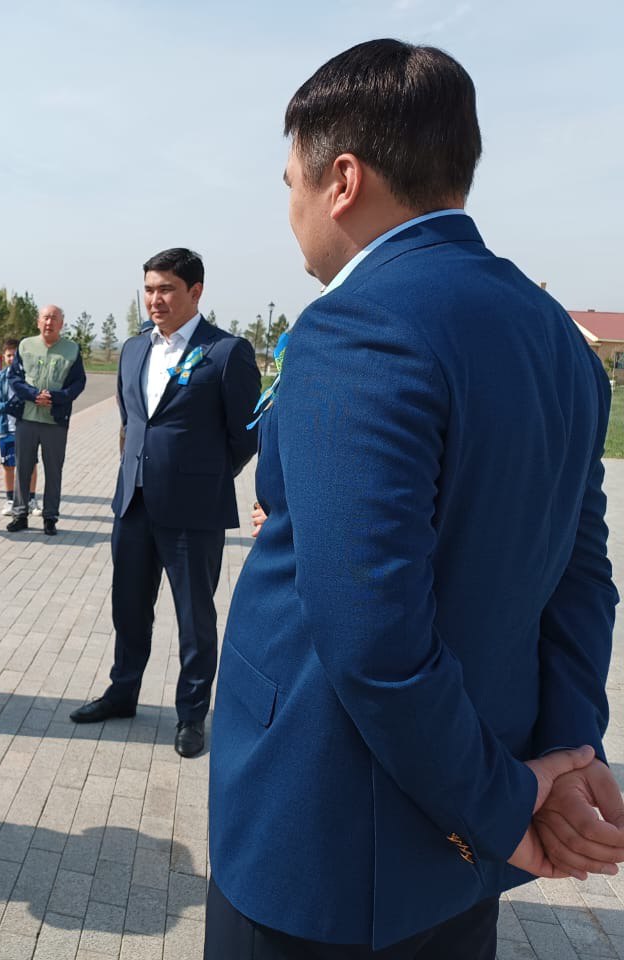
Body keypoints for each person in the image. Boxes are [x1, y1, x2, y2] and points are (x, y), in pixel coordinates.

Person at [206, 40, 622, 959]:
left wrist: (505, 805)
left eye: (290, 183)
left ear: (342, 180)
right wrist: (565, 759)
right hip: (464, 831)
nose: (289, 209)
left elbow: (374, 641)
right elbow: (580, 580)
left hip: (328, 838)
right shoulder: (556, 337)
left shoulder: (358, 325)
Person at [70, 249, 260, 758]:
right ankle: (122, 691)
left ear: (195, 292)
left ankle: (192, 714)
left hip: (194, 511)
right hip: (133, 504)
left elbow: (246, 434)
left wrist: (202, 476)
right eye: (150, 289)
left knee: (194, 618)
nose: (155, 299)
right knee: (129, 607)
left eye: (167, 289)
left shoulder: (225, 352)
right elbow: (132, 421)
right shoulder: (134, 349)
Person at [6, 304, 85, 535]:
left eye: (54, 318)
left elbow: (78, 383)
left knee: (53, 470)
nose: (49, 322)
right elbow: (15, 378)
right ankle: (20, 514)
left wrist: (56, 398)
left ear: (61, 324)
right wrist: (33, 395)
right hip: (27, 417)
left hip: (55, 420)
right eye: (45, 318)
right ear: (38, 322)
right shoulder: (25, 345)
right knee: (23, 468)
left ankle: (50, 517)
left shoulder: (72, 349)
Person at [0, 337, 37, 516]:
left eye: (15, 355)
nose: (12, 359)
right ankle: (9, 500)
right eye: (9, 355)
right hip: (6, 429)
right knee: (8, 465)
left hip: (27, 426)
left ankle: (31, 499)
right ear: (4, 357)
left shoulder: (29, 377)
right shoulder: (0, 378)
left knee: (31, 464)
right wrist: (5, 406)